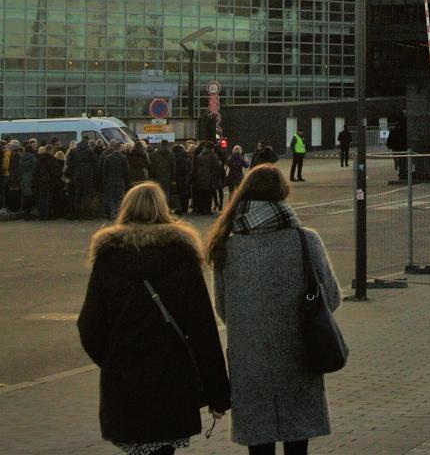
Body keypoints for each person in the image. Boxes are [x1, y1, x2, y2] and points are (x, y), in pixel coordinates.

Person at [79, 182, 229, 455]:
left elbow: (89, 326)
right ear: (163, 209)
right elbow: (202, 328)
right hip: (171, 375)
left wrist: (113, 358)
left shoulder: (108, 255)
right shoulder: (181, 253)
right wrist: (218, 393)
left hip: (124, 376)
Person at [206, 165, 339, 455]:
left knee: (259, 443)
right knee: (297, 440)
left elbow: (222, 306)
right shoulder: (305, 239)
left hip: (249, 361)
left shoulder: (226, 246)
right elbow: (331, 296)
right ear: (282, 194)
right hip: (300, 355)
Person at [102, 141, 131, 221]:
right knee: (119, 198)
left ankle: (112, 214)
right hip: (120, 181)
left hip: (110, 181)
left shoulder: (108, 158)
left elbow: (104, 170)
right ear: (119, 148)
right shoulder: (123, 158)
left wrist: (105, 181)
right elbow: (127, 171)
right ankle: (118, 215)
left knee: (111, 198)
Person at [19, 140, 39, 219]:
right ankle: (29, 213)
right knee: (30, 196)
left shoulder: (22, 158)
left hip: (23, 178)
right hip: (31, 178)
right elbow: (35, 168)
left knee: (25, 196)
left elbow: (19, 168)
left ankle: (25, 213)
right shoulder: (33, 158)